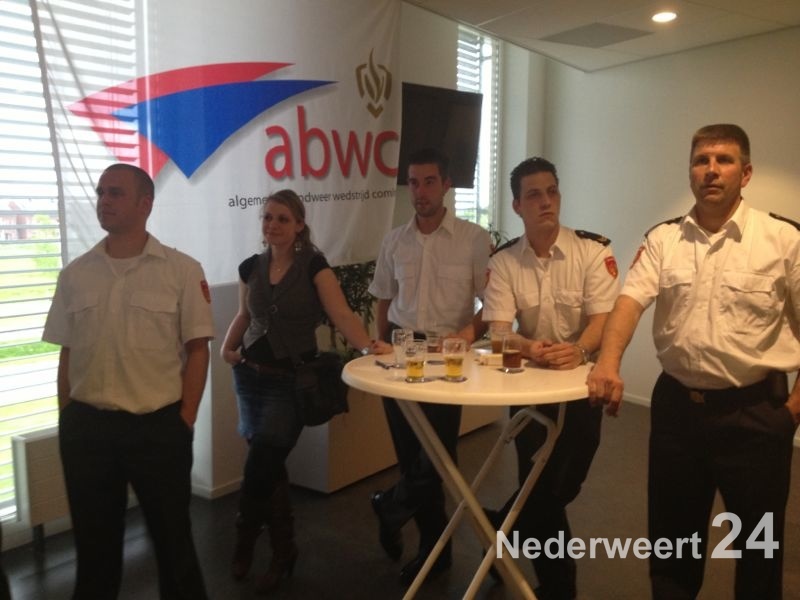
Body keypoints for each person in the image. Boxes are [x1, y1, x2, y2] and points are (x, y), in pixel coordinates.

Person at [587, 124, 800, 600]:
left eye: (724, 160)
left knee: (759, 552)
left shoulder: (783, 239)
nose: (711, 170)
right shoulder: (664, 239)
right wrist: (608, 362)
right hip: (678, 412)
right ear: (690, 172)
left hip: (755, 414)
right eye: (702, 160)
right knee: (672, 546)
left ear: (746, 173)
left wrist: (790, 413)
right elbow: (630, 302)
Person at [42, 163, 213, 599]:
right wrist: (68, 415)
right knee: (94, 551)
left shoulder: (181, 270)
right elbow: (67, 351)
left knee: (174, 546)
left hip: (158, 429)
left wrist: (185, 420)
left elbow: (198, 349)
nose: (104, 200)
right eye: (101, 192)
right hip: (88, 431)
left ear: (145, 204)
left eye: (115, 192)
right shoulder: (75, 274)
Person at [219, 189, 390, 594]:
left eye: (282, 218)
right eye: (267, 217)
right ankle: (284, 550)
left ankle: (245, 537)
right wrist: (226, 348)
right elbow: (244, 315)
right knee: (270, 465)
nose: (273, 225)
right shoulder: (249, 267)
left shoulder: (314, 265)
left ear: (298, 225)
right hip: (250, 376)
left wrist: (367, 345)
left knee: (261, 461)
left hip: (288, 380)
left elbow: (340, 313)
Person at [481, 157, 619, 600]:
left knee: (560, 485)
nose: (546, 202)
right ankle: (558, 588)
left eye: (552, 191)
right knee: (538, 482)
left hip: (581, 387)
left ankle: (495, 531)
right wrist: (529, 347)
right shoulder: (504, 261)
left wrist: (578, 349)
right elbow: (498, 331)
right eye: (534, 194)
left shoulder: (592, 251)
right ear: (517, 205)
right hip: (528, 391)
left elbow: (603, 321)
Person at [367, 147, 491, 586]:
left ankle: (390, 506)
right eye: (414, 183)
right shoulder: (394, 241)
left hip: (447, 356)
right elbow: (384, 298)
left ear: (447, 185)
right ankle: (434, 553)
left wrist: (468, 336)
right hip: (402, 352)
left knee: (438, 458)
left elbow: (491, 303)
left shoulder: (474, 239)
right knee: (411, 457)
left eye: (429, 182)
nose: (420, 191)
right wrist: (380, 344)